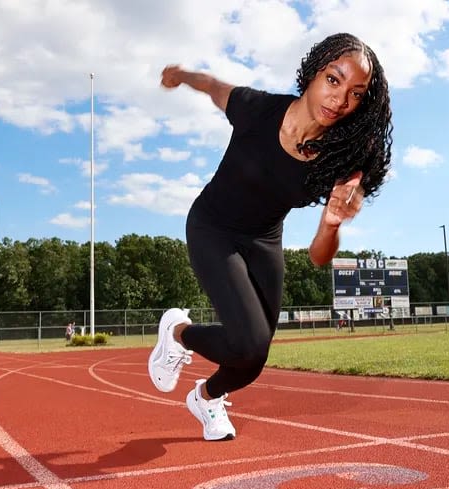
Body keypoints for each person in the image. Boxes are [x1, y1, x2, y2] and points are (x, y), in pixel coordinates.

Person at [148, 33, 392, 441]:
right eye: (333, 80)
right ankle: (176, 332)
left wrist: (330, 225)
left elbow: (318, 257)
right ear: (314, 72)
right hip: (213, 226)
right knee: (247, 341)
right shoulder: (256, 109)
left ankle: (206, 397)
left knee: (254, 356)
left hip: (263, 240)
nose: (340, 99)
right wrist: (180, 75)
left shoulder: (337, 159)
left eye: (355, 93)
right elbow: (212, 85)